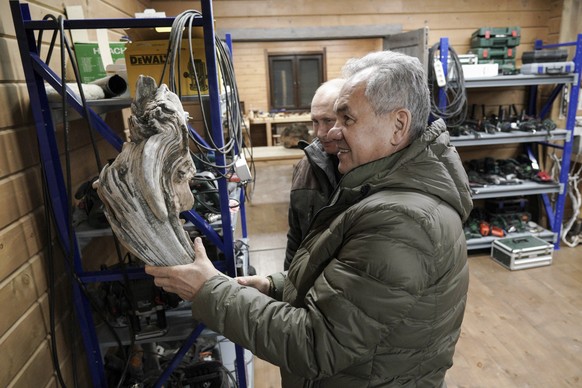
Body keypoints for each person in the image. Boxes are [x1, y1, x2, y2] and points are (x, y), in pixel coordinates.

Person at [146, 50, 473, 387]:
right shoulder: (379, 193)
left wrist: (208, 291)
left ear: (398, 125)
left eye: (348, 120)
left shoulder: (402, 222)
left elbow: (316, 344)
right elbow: (346, 289)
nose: (331, 133)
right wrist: (275, 286)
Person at [284, 78, 345, 270]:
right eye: (315, 122)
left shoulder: (369, 170)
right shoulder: (305, 167)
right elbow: (295, 238)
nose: (320, 132)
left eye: (328, 121)